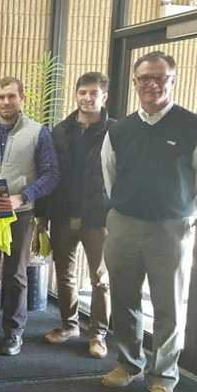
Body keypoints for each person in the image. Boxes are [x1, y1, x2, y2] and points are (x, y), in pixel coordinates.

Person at [100, 51, 197, 392]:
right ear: (134, 83)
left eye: (159, 77)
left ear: (172, 80)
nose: (151, 84)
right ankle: (128, 364)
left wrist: (183, 217)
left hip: (171, 228)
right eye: (143, 78)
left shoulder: (196, 126)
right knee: (124, 299)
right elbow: (109, 176)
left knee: (168, 307)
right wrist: (123, 210)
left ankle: (163, 378)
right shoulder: (118, 129)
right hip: (124, 224)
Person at [0, 77, 59, 356]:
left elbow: (52, 173)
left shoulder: (38, 132)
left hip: (20, 213)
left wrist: (24, 196)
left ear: (22, 98)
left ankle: (14, 331)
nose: (5, 102)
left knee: (15, 272)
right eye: (0, 97)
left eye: (11, 96)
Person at [38, 72, 115, 359]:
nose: (87, 97)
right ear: (76, 94)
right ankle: (69, 325)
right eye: (83, 92)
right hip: (62, 214)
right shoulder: (60, 130)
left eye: (94, 93)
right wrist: (41, 215)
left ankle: (98, 334)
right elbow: (48, 174)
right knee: (64, 275)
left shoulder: (114, 131)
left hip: (98, 217)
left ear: (104, 97)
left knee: (101, 279)